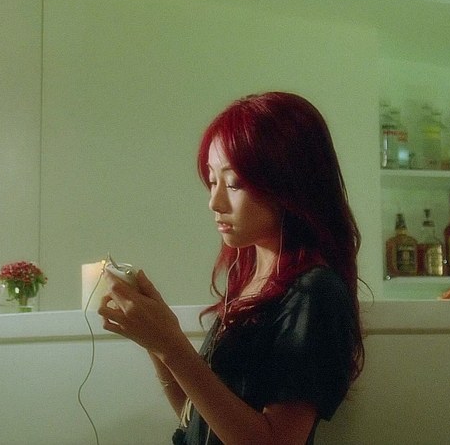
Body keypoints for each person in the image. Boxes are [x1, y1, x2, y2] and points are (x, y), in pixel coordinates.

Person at [98, 91, 365, 444]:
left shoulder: (313, 292)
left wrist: (172, 345)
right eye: (212, 180)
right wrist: (156, 342)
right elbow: (196, 419)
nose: (214, 201)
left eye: (234, 183)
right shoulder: (250, 281)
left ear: (289, 184)